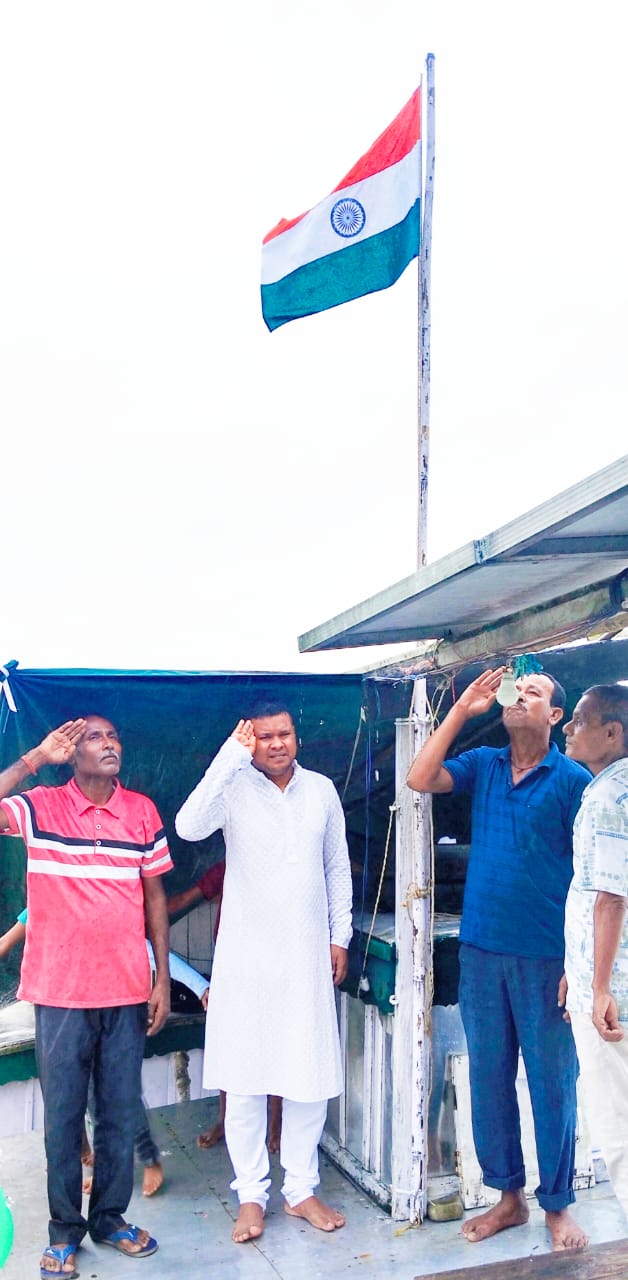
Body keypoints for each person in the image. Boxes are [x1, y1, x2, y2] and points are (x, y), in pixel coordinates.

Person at [407, 668, 591, 1251]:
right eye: (518, 689)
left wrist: (577, 961)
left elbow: (591, 879)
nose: (520, 696)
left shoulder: (573, 781)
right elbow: (419, 776)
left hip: (547, 959)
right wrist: (463, 706)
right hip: (483, 950)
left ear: (556, 716)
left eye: (535, 692)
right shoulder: (484, 763)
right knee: (490, 1079)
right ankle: (508, 1199)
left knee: (553, 1084)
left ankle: (557, 1204)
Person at [0, 715, 173, 1279]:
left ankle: (109, 1219)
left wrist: (161, 976)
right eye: (96, 737)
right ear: (72, 752)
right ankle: (63, 1230)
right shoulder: (40, 806)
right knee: (65, 1119)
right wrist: (32, 760)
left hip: (124, 989)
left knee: (120, 1113)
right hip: (59, 990)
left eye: (116, 736)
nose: (110, 744)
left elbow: (154, 897)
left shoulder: (141, 811)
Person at [175, 703, 352, 1244]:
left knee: (307, 1075)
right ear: (250, 741)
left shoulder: (321, 789)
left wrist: (338, 935)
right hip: (245, 959)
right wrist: (230, 755)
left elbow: (336, 865)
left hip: (305, 955)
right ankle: (251, 1196)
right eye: (265, 737)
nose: (277, 744)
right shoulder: (232, 787)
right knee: (245, 1079)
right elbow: (187, 825)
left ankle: (300, 1190)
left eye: (286, 734)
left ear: (297, 736)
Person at [560, 683, 628, 1219]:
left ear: (612, 733)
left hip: (612, 995)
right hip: (601, 975)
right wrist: (575, 968)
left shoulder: (607, 797)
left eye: (579, 721)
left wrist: (598, 986)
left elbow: (609, 897)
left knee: (618, 1128)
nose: (568, 729)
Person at [167, 861, 283, 1153]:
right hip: (231, 965)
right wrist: (143, 911)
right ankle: (225, 1120)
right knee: (229, 1044)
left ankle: (275, 1124)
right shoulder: (227, 866)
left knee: (271, 1043)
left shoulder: (280, 866)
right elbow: (182, 900)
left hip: (273, 963)